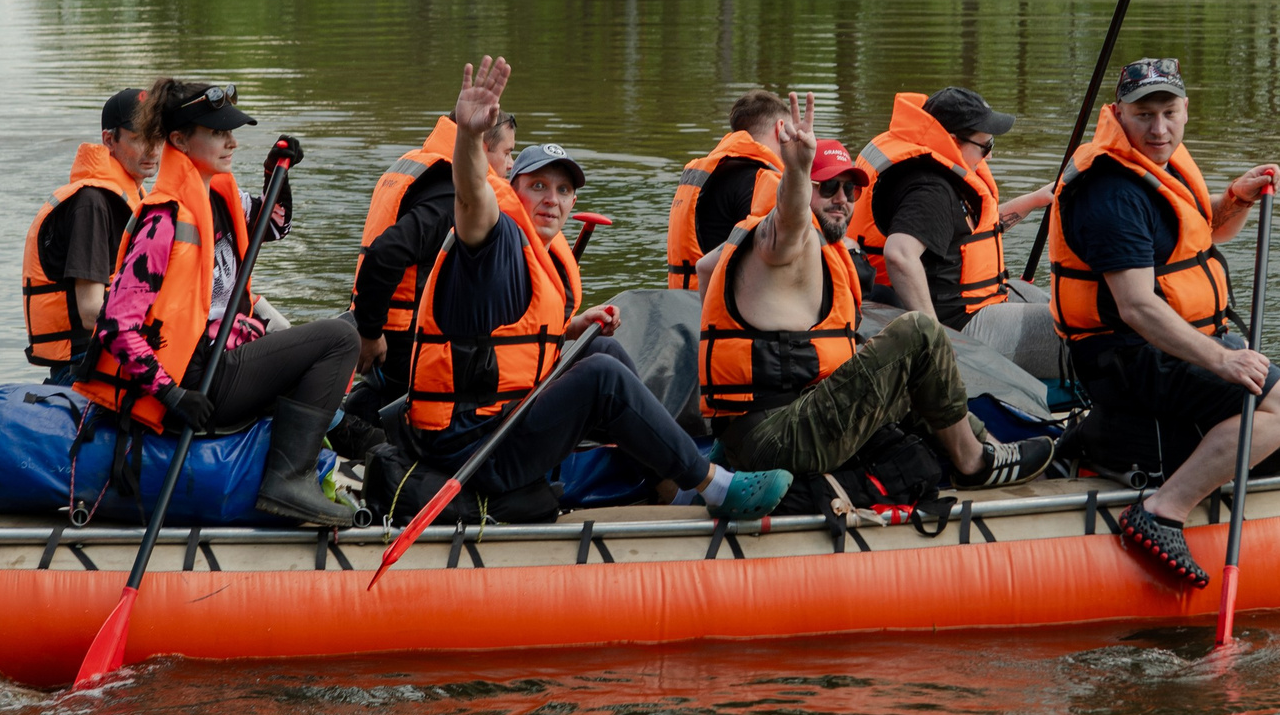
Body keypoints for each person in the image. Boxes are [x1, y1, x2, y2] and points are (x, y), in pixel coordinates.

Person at [403, 57, 792, 520]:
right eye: (538, 185)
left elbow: (504, 341)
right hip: (470, 449)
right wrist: (469, 137)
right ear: (512, 188)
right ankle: (715, 486)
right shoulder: (491, 235)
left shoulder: (540, 252)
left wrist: (570, 328)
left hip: (501, 421)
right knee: (600, 377)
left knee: (598, 350)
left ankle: (671, 478)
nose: (552, 199)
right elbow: (470, 194)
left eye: (563, 190)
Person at [1046, 57, 1280, 588]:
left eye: (1169, 112)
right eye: (1144, 115)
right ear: (1118, 114)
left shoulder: (1159, 163)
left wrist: (1236, 198)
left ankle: (1125, 444)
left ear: (1186, 109)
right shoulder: (1111, 193)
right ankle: (1162, 511)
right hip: (1127, 356)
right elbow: (1137, 306)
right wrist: (1222, 359)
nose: (1159, 128)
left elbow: (1201, 234)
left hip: (1163, 344)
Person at [700, 95, 1058, 489]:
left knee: (904, 372)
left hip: (769, 423)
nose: (841, 199)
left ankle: (989, 446)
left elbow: (705, 268)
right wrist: (797, 171)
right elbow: (788, 221)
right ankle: (973, 463)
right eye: (827, 188)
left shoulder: (766, 241)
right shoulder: (783, 240)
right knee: (918, 332)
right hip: (777, 435)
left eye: (850, 190)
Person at [81, 77, 361, 527]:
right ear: (179, 140)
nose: (231, 142)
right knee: (339, 340)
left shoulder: (217, 194)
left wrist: (276, 174)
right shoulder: (163, 219)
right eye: (217, 133)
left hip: (221, 358)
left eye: (230, 131)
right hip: (195, 381)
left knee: (346, 327)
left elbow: (275, 225)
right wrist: (172, 395)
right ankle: (288, 480)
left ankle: (318, 457)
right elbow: (115, 326)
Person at [849, 87, 1052, 328]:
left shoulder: (938, 172)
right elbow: (899, 254)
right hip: (959, 322)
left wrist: (1035, 200)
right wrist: (933, 333)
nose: (989, 157)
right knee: (1067, 325)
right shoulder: (930, 190)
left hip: (978, 302)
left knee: (1051, 303)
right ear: (953, 141)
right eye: (986, 146)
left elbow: (968, 232)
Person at [350, 111, 519, 398]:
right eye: (507, 152)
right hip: (403, 340)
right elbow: (385, 253)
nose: (511, 164)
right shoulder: (449, 195)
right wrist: (370, 332)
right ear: (480, 147)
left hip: (383, 324)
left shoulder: (419, 163)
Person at [20, 87, 158, 380]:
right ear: (109, 140)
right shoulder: (92, 204)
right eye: (139, 138)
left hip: (116, 350)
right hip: (86, 363)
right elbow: (90, 310)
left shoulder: (134, 196)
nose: (152, 150)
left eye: (157, 136)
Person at [663, 90, 788, 289]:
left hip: (683, 298)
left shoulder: (710, 173)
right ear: (780, 128)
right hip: (719, 304)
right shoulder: (761, 180)